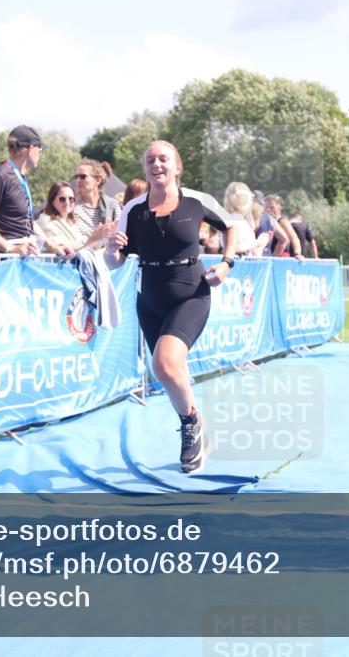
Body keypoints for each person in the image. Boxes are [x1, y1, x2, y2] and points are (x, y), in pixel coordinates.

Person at [104, 141, 239, 473]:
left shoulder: (196, 201)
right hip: (149, 300)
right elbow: (114, 262)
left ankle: (191, 426)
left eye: (163, 158)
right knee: (167, 371)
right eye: (150, 159)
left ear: (177, 167)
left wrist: (226, 263)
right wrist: (111, 248)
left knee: (165, 364)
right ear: (145, 168)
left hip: (192, 294)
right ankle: (199, 427)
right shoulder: (133, 208)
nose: (156, 163)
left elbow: (232, 226)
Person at [0, 125, 69, 257]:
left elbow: (28, 221)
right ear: (31, 149)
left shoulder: (19, 176)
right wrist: (10, 249)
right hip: (3, 259)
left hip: (22, 254)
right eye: (40, 150)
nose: (40, 154)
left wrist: (53, 246)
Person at [37, 181, 111, 252]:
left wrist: (103, 236)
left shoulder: (72, 222)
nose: (67, 202)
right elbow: (62, 248)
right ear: (52, 200)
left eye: (71, 199)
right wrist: (91, 238)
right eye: (62, 199)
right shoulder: (45, 221)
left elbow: (87, 248)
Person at [73, 159, 122, 241]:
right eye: (76, 177)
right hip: (78, 252)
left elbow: (120, 235)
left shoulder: (112, 206)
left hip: (106, 252)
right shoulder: (70, 205)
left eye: (83, 176)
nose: (78, 180)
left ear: (97, 180)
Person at [222, 182, 259, 256]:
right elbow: (234, 248)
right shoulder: (235, 220)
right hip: (237, 264)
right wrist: (259, 242)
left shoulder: (236, 218)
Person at [264, 194, 303, 259]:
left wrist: (297, 253)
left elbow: (294, 238)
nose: (269, 210)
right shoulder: (268, 221)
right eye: (266, 207)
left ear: (279, 207)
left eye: (272, 207)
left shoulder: (282, 222)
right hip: (272, 257)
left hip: (281, 258)